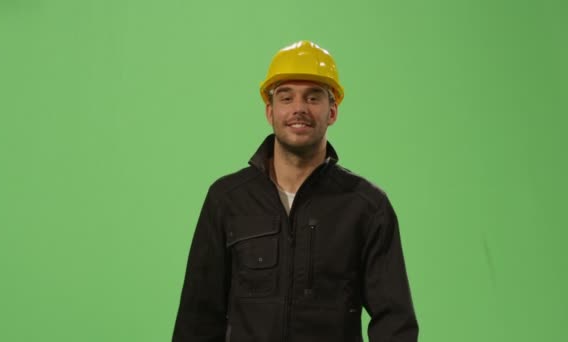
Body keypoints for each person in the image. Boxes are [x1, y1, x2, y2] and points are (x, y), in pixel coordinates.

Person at [173, 40, 418, 342]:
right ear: (269, 111)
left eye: (313, 98)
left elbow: (395, 323)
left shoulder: (366, 207)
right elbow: (197, 319)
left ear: (332, 112)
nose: (299, 108)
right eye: (286, 98)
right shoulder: (227, 200)